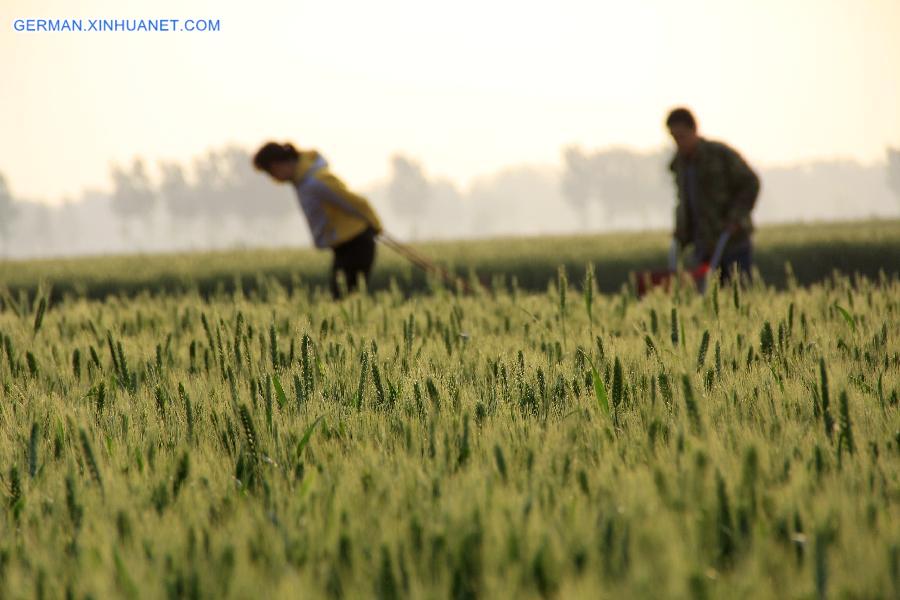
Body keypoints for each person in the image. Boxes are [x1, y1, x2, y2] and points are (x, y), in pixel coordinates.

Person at [253, 142, 383, 298]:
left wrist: (375, 225)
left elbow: (353, 202)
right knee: (342, 297)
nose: (274, 179)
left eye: (272, 172)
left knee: (345, 298)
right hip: (344, 246)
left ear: (280, 164)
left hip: (356, 243)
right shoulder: (303, 182)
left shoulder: (315, 181)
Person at [666, 108, 760, 281]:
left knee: (739, 291)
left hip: (732, 242)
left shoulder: (719, 154)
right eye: (674, 138)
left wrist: (736, 218)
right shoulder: (678, 164)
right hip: (704, 247)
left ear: (694, 130)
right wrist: (681, 230)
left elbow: (750, 183)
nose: (678, 142)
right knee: (708, 295)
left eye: (682, 136)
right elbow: (684, 201)